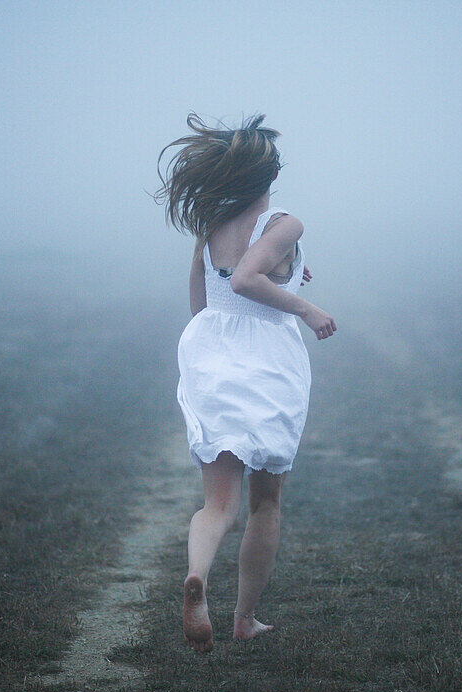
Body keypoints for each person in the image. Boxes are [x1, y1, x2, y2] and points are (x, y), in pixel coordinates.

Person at [155, 113, 337, 652]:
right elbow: (246, 278)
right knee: (267, 499)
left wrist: (206, 348)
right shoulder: (285, 222)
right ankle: (244, 618)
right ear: (269, 173)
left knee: (217, 502)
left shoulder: (212, 221)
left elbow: (208, 292)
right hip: (266, 359)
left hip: (211, 350)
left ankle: (197, 578)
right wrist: (306, 308)